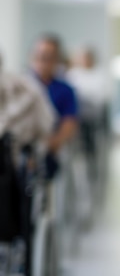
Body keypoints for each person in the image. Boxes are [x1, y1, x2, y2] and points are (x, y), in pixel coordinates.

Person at [29, 34, 79, 179]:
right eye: (40, 56)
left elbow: (69, 123)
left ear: (57, 60)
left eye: (48, 57)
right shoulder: (22, 86)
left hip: (49, 145)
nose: (43, 61)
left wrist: (51, 144)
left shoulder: (65, 90)